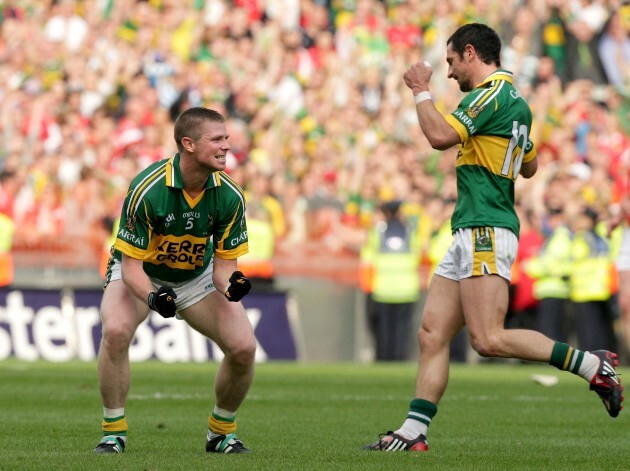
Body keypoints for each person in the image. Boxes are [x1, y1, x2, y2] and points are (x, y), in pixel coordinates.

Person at [364, 23, 623, 453]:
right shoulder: (517, 103)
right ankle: (413, 432)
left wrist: (419, 90)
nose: (448, 73)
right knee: (431, 333)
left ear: (471, 52)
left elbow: (440, 136)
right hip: (471, 226)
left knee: (488, 339)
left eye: (450, 62)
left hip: (486, 226)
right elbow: (531, 166)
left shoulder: (489, 94)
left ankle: (593, 364)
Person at [94, 107, 255, 455]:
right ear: (189, 144)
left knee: (244, 348)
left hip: (196, 277)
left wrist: (235, 285)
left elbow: (225, 268)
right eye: (217, 139)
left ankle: (220, 432)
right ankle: (113, 432)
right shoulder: (147, 189)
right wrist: (155, 299)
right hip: (140, 272)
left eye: (227, 138)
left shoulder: (231, 196)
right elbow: (133, 267)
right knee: (117, 330)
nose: (227, 146)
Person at [359, 200, 422, 361]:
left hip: (383, 289)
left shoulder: (377, 232)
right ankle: (399, 361)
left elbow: (367, 258)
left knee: (384, 331)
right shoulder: (410, 231)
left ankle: (384, 360)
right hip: (406, 289)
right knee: (401, 332)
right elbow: (418, 254)